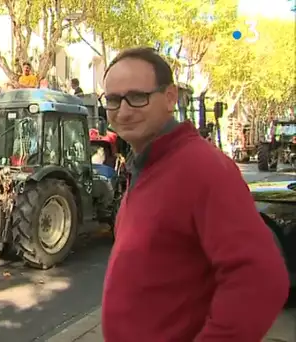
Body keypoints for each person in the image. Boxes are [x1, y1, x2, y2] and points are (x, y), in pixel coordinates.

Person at [101, 47, 289, 342]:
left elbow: (262, 279)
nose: (123, 111)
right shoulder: (147, 164)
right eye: (113, 100)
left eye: (138, 97)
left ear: (170, 97)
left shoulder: (203, 168)